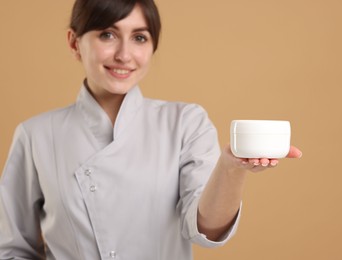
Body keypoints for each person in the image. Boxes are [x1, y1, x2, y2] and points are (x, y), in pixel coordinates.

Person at [0, 0, 302, 259]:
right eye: (107, 34)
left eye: (140, 38)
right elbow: (11, 248)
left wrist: (232, 168)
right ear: (74, 42)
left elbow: (205, 228)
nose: (124, 54)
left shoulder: (185, 122)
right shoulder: (36, 135)